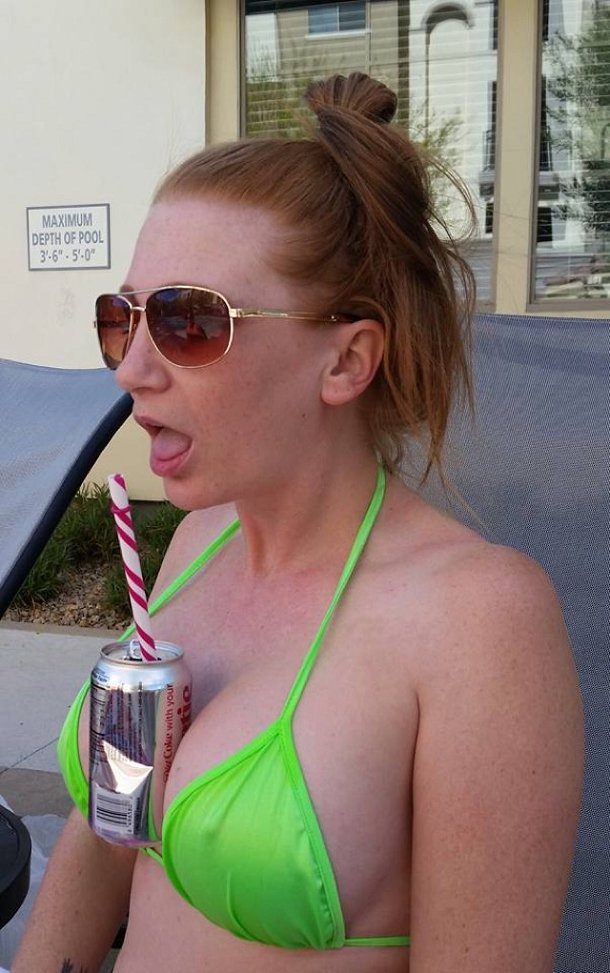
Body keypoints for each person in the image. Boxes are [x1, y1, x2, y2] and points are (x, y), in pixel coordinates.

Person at [14, 73, 583, 973]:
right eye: (123, 319)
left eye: (188, 320)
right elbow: (108, 836)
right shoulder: (197, 546)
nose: (131, 370)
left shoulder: (478, 624)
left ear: (346, 360)